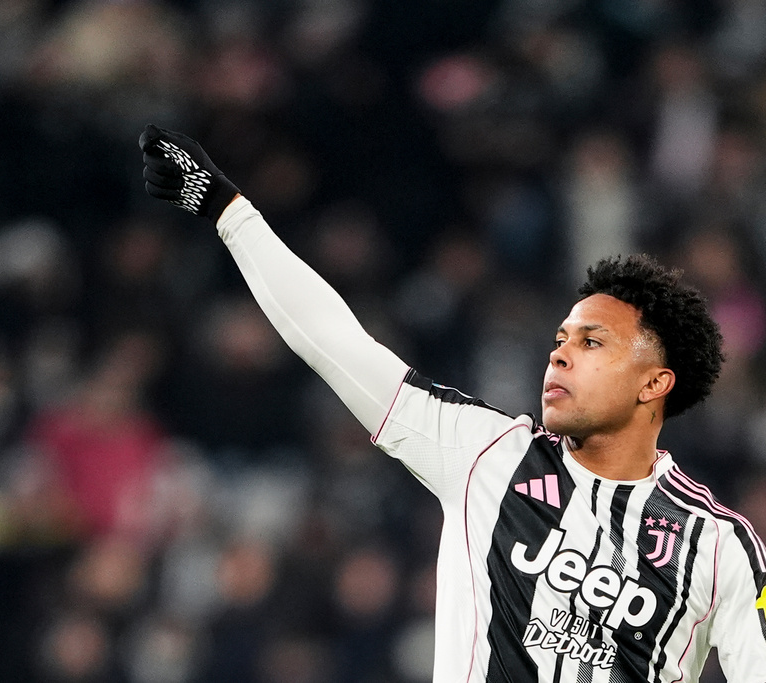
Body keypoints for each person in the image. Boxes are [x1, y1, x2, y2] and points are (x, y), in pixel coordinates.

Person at [138, 124, 766, 682]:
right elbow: (337, 343)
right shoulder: (486, 452)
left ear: (654, 384)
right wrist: (228, 211)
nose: (560, 356)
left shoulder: (720, 547)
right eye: (560, 340)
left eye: (592, 343)